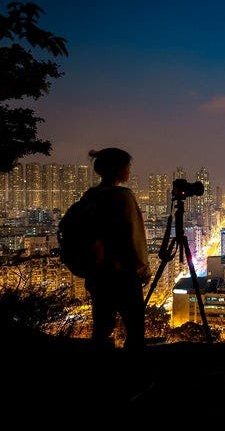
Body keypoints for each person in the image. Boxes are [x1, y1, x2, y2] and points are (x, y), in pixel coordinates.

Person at [84, 147, 151, 353]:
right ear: (119, 169)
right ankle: (133, 377)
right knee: (135, 329)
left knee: (101, 328)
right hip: (123, 275)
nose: (130, 170)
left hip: (97, 274)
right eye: (128, 166)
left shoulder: (90, 195)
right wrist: (143, 268)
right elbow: (135, 236)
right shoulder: (123, 196)